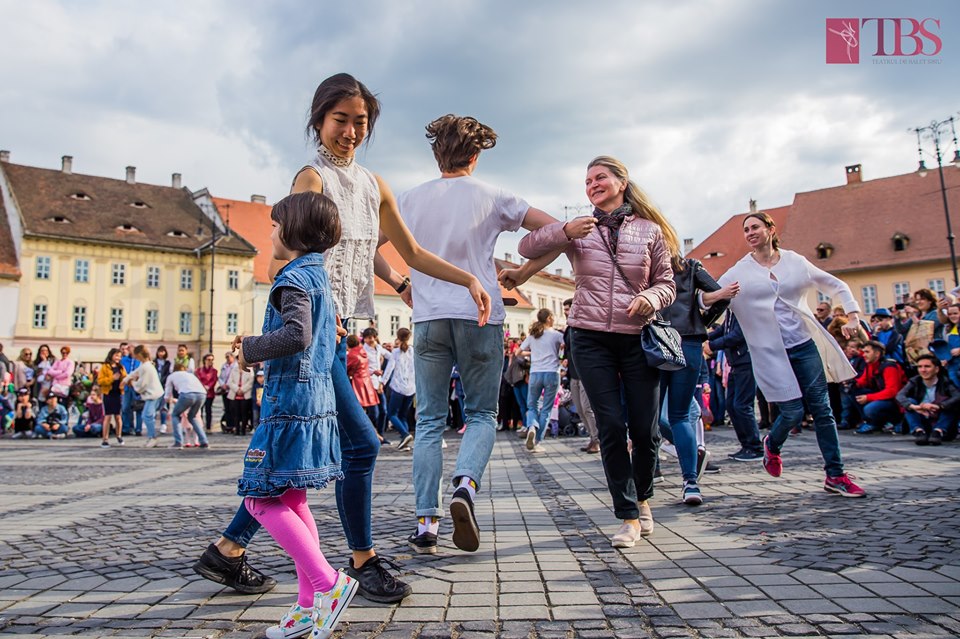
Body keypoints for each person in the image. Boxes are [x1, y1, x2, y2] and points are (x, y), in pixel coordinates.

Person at [193, 74, 489, 604]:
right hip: (314, 334)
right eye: (340, 120)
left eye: (360, 122)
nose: (351, 132)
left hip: (337, 329)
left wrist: (453, 279)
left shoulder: (374, 186)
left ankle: (230, 547)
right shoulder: (312, 179)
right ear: (319, 121)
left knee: (311, 452)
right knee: (360, 444)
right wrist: (314, 308)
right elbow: (288, 250)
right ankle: (361, 560)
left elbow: (409, 252)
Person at [397, 113, 568, 555]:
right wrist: (522, 271)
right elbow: (556, 232)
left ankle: (425, 522)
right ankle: (466, 487)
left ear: (437, 153)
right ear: (475, 155)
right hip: (480, 313)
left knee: (430, 420)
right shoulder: (494, 196)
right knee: (480, 414)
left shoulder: (410, 199)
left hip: (429, 318)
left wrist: (402, 284)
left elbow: (370, 245)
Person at [509, 155, 678, 547]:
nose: (592, 185)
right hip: (589, 336)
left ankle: (644, 497)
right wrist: (564, 229)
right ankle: (628, 516)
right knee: (611, 427)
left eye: (600, 177)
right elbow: (525, 244)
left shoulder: (649, 232)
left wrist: (650, 298)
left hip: (638, 336)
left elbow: (667, 283)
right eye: (587, 181)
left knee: (645, 429)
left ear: (621, 182)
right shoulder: (581, 229)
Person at [236, 191, 359, 639]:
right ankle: (308, 607)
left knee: (260, 498)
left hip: (289, 406)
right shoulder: (318, 277)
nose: (270, 231)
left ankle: (329, 583)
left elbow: (297, 334)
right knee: (293, 499)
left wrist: (251, 347)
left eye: (274, 224)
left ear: (292, 232)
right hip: (315, 402)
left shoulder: (292, 279)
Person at [715, 211, 866, 497]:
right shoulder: (740, 270)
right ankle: (772, 444)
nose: (749, 233)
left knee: (823, 410)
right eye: (746, 229)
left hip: (803, 344)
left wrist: (853, 316)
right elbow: (709, 294)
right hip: (771, 352)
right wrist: (707, 301)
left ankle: (835, 474)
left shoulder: (795, 261)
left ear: (770, 229)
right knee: (793, 412)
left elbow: (837, 285)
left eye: (755, 227)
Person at [658, 256, 735, 505]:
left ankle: (647, 480)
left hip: (653, 342)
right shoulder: (690, 266)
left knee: (654, 416)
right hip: (689, 341)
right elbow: (722, 296)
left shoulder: (643, 264)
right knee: (680, 415)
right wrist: (702, 322)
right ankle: (690, 482)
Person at [705, 312, 764, 461]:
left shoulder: (743, 310)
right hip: (735, 363)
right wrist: (702, 336)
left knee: (742, 405)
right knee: (731, 405)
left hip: (746, 362)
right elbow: (723, 329)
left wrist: (711, 345)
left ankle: (755, 447)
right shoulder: (732, 311)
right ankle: (746, 445)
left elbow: (738, 335)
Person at [520, 309, 564, 454]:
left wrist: (534, 353)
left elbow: (518, 352)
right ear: (550, 318)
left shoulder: (533, 335)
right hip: (552, 372)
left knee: (532, 406)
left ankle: (532, 426)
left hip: (535, 372)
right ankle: (537, 441)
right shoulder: (557, 335)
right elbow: (564, 350)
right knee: (546, 409)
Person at [897, 353, 960, 445]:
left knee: (951, 405)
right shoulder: (915, 381)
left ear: (936, 369)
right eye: (920, 367)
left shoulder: (945, 382)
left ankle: (938, 431)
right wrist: (914, 407)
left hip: (942, 421)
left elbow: (957, 396)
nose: (923, 370)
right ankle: (918, 431)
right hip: (923, 418)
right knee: (909, 402)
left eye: (927, 366)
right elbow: (900, 396)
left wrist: (940, 406)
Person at [563, 298, 598, 454]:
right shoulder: (568, 328)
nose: (565, 312)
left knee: (587, 408)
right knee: (580, 409)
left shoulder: (582, 325)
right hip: (573, 373)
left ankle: (598, 440)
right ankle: (592, 437)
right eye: (564, 309)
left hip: (585, 372)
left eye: (567, 309)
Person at [849, 341, 907, 435]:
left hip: (896, 402)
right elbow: (863, 381)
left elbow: (892, 392)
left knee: (870, 408)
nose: (864, 355)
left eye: (867, 352)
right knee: (855, 391)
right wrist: (852, 383)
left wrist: (868, 398)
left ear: (877, 354)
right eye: (863, 352)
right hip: (883, 396)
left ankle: (892, 421)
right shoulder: (871, 365)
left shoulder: (889, 367)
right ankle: (870, 422)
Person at [121, 345, 165, 448]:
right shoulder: (145, 364)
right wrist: (126, 379)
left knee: (147, 416)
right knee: (148, 416)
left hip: (153, 395)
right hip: (155, 394)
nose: (135, 358)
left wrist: (131, 382)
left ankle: (153, 437)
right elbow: (135, 372)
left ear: (139, 355)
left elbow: (141, 385)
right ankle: (152, 437)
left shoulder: (147, 367)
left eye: (136, 355)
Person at [382, 327, 415, 452]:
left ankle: (405, 435)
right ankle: (404, 442)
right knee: (403, 415)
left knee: (392, 414)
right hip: (411, 388)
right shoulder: (412, 351)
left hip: (398, 387)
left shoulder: (396, 352)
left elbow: (389, 369)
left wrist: (382, 382)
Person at [164, 363, 210, 449]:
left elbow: (167, 392)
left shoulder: (171, 376)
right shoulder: (190, 375)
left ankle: (178, 442)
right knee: (192, 417)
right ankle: (204, 441)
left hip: (187, 394)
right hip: (202, 394)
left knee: (175, 415)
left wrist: (166, 400)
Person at [345, 334, 381, 436]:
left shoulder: (352, 354)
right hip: (367, 382)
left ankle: (369, 432)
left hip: (358, 383)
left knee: (360, 411)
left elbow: (346, 368)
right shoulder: (363, 352)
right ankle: (373, 432)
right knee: (370, 411)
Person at [98, 348, 126, 448]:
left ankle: (119, 435)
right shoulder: (105, 367)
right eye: (116, 355)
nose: (118, 357)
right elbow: (100, 381)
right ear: (111, 356)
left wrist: (125, 381)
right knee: (108, 416)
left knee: (118, 416)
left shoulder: (121, 367)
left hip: (118, 393)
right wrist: (112, 378)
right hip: (108, 393)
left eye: (119, 356)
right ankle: (105, 439)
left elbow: (125, 377)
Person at [227, 364, 255, 436]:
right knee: (236, 413)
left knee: (244, 413)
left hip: (245, 394)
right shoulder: (234, 369)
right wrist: (237, 389)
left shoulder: (249, 369)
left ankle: (243, 430)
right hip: (235, 394)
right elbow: (230, 381)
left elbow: (250, 381)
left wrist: (242, 389)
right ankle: (237, 429)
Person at [196, 354, 218, 432]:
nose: (210, 361)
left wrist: (208, 387)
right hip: (201, 392)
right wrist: (203, 387)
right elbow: (198, 379)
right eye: (208, 359)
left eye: (212, 360)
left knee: (208, 410)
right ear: (204, 360)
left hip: (210, 393)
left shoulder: (214, 371)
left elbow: (214, 380)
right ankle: (200, 426)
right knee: (200, 410)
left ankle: (208, 427)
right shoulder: (199, 370)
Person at [217, 351, 238, 433]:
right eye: (226, 357)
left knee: (232, 408)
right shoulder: (224, 366)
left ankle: (233, 425)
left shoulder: (236, 366)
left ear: (233, 357)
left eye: (229, 357)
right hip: (225, 390)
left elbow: (233, 378)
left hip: (232, 389)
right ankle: (229, 425)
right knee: (226, 408)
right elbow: (221, 377)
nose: (228, 359)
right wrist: (223, 384)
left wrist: (228, 384)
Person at [155, 346, 173, 433]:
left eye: (163, 352)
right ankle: (152, 424)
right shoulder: (154, 362)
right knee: (153, 406)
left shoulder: (167, 363)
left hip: (163, 386)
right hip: (154, 387)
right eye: (159, 351)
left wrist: (162, 381)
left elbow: (168, 374)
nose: (161, 353)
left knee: (164, 406)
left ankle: (163, 424)